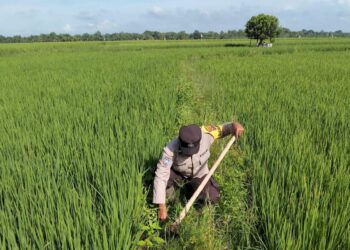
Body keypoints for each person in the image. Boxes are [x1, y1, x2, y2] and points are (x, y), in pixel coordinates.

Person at [153, 122, 244, 221]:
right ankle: (174, 197)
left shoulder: (206, 134)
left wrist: (234, 126)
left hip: (199, 174)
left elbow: (224, 129)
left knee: (212, 195)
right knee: (168, 196)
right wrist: (161, 206)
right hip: (178, 174)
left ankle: (193, 197)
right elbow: (161, 176)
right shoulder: (170, 150)